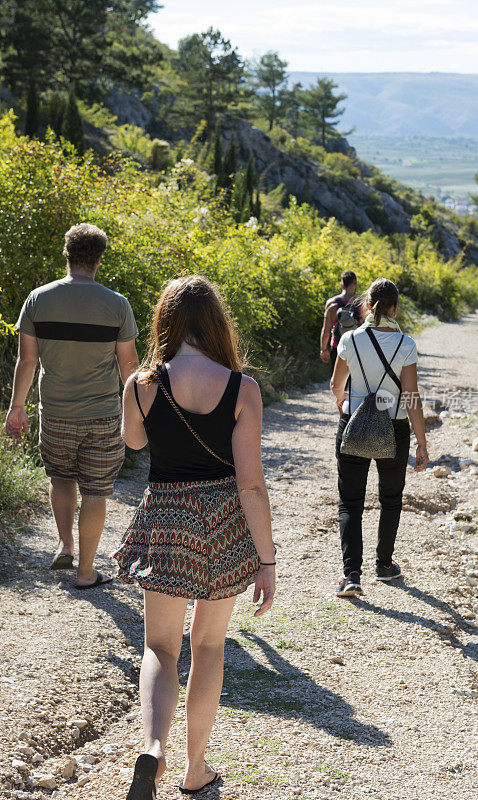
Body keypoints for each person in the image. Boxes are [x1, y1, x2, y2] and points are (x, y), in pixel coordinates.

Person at [114, 275, 276, 798]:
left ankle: (153, 749)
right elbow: (250, 482)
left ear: (165, 321)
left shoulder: (141, 384)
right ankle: (195, 768)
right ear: (217, 325)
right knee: (207, 645)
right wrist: (266, 560)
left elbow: (134, 442)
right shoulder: (240, 388)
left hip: (164, 515)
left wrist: (145, 402)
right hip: (222, 521)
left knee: (160, 645)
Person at [5, 223, 139, 588]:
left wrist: (17, 406)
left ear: (66, 255)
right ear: (99, 259)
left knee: (61, 478)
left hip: (56, 413)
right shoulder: (117, 305)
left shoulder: (38, 299)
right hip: (103, 416)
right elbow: (129, 367)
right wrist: (140, 412)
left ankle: (64, 544)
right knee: (96, 491)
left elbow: (27, 361)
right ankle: (85, 572)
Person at [330, 277, 429, 596]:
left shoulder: (350, 339)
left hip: (353, 426)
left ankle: (351, 575)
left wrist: (347, 407)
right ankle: (384, 565)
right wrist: (421, 443)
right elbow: (411, 397)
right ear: (395, 308)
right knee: (390, 498)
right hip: (395, 430)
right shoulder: (406, 345)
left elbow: (336, 385)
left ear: (367, 306)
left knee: (351, 502)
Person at [320, 270, 361, 374]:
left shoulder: (332, 303)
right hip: (357, 348)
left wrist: (323, 349)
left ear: (342, 285)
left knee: (336, 384)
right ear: (355, 284)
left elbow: (326, 330)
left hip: (337, 347)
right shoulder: (361, 304)